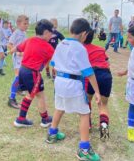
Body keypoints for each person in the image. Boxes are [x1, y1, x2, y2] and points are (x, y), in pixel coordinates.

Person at [46, 18, 101, 161]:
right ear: (84, 34)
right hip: (73, 83)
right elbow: (88, 72)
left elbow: (53, 64)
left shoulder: (61, 44)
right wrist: (98, 92)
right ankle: (84, 149)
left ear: (71, 30)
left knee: (60, 107)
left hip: (59, 81)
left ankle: (52, 133)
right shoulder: (80, 48)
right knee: (84, 113)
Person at [11, 19, 54, 128]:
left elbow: (18, 48)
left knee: (34, 94)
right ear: (45, 33)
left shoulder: (29, 40)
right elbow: (56, 59)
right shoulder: (48, 47)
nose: (52, 35)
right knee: (37, 96)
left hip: (23, 70)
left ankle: (37, 119)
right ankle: (40, 119)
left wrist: (10, 51)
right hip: (32, 73)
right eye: (51, 32)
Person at [83, 30, 112, 141]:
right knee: (103, 105)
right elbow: (107, 63)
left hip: (91, 74)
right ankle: (104, 133)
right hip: (105, 75)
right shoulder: (100, 49)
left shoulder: (81, 50)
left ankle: (88, 125)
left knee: (87, 101)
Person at [7, 15, 29, 109]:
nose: (27, 25)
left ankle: (19, 89)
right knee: (17, 76)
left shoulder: (24, 33)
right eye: (25, 23)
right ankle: (11, 99)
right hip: (17, 58)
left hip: (23, 58)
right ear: (18, 23)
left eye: (27, 23)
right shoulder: (16, 32)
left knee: (22, 76)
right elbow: (9, 44)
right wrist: (17, 52)